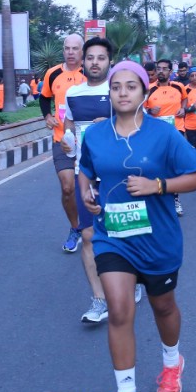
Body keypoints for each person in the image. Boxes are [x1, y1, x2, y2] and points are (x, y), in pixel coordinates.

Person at [77, 61, 196, 392]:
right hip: (112, 236)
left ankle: (171, 362)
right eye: (116, 87)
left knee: (163, 307)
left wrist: (158, 186)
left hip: (157, 239)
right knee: (119, 310)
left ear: (143, 93)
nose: (122, 92)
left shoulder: (163, 135)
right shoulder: (96, 135)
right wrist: (86, 193)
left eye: (131, 87)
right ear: (109, 93)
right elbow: (85, 170)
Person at [61, 37, 145, 324]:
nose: (94, 62)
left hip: (118, 173)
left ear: (109, 62)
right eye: (90, 57)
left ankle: (132, 280)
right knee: (88, 236)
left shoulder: (120, 92)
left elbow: (137, 126)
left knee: (124, 231)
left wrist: (107, 126)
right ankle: (98, 301)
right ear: (82, 62)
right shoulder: (72, 93)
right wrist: (67, 143)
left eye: (100, 58)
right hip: (84, 172)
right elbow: (69, 131)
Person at [41, 34, 87, 252]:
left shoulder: (91, 73)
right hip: (62, 140)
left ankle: (99, 229)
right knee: (68, 188)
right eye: (67, 48)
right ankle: (75, 227)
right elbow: (44, 97)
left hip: (88, 140)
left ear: (82, 51)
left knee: (90, 188)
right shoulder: (53, 74)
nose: (70, 52)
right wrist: (47, 116)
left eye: (75, 48)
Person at [146, 59, 188, 215]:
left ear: (171, 72)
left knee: (173, 166)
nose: (161, 71)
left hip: (176, 130)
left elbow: (184, 98)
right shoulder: (148, 89)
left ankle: (175, 200)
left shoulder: (179, 86)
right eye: (159, 69)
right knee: (158, 166)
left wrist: (183, 109)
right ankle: (159, 198)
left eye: (165, 69)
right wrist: (150, 111)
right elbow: (141, 110)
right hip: (156, 133)